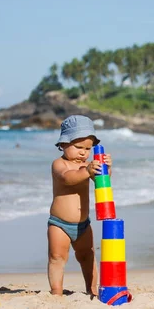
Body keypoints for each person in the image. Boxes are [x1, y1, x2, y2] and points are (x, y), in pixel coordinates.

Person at [48, 115, 112, 296]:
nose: (83, 153)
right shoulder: (59, 164)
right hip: (59, 224)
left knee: (87, 256)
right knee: (57, 258)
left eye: (88, 149)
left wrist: (106, 168)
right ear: (63, 144)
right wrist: (87, 170)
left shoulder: (87, 165)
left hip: (83, 225)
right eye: (78, 147)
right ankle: (56, 292)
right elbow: (67, 179)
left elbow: (102, 181)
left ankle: (91, 290)